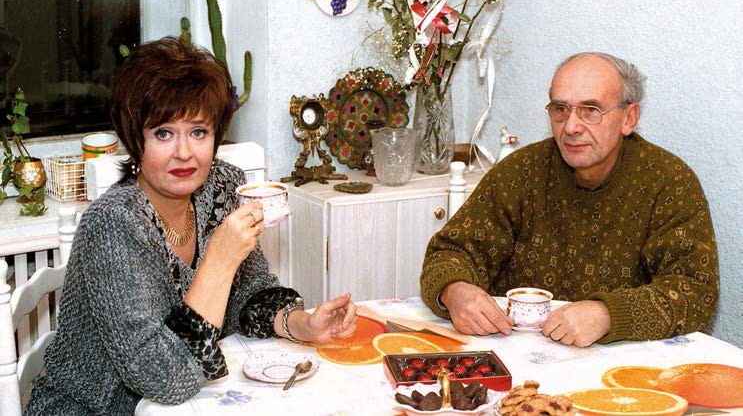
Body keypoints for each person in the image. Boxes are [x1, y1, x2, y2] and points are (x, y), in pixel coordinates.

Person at [26, 37, 357, 415]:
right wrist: (219, 260)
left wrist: (301, 324)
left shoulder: (222, 187)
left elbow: (250, 296)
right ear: (134, 139)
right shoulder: (113, 225)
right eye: (163, 133)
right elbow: (163, 378)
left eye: (198, 132)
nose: (184, 152)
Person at [420, 52, 719, 347]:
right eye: (560, 109)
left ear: (629, 118)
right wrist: (455, 291)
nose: (572, 127)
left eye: (591, 110)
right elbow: (449, 252)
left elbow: (695, 292)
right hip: (516, 352)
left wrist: (608, 315)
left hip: (622, 365)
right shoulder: (520, 172)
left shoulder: (669, 182)